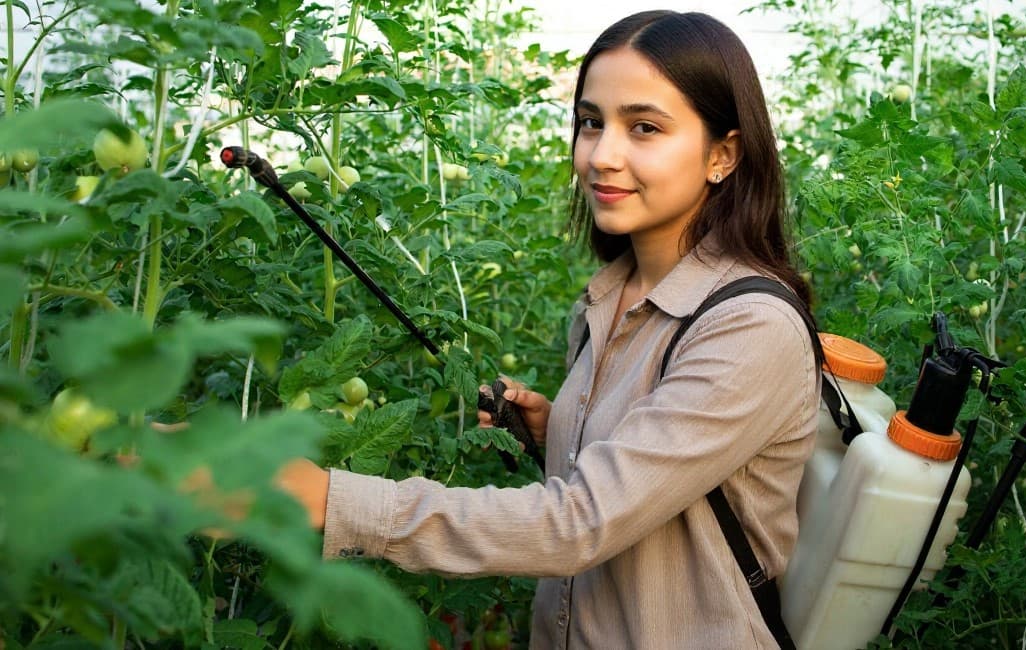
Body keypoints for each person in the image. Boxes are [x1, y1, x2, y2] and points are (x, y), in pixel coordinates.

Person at [277, 10, 822, 649]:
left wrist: (330, 500)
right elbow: (636, 485)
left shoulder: (750, 326)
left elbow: (578, 523)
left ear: (722, 155)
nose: (601, 155)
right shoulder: (608, 298)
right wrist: (559, 432)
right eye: (591, 122)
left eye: (644, 127)